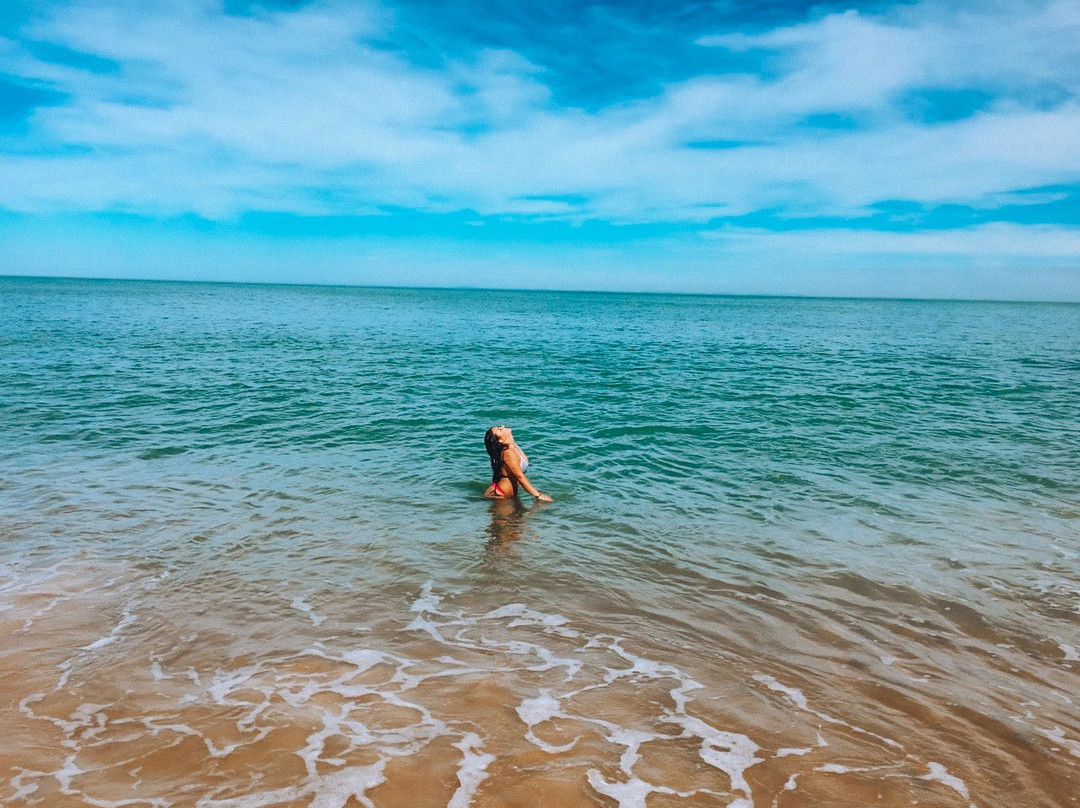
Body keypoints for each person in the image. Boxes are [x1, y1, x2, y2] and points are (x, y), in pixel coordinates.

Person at [484, 426, 553, 502]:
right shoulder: (508, 452)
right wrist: (538, 495)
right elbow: (520, 477)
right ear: (500, 440)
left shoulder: (513, 447)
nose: (502, 427)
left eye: (498, 427)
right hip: (501, 495)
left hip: (508, 494)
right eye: (498, 430)